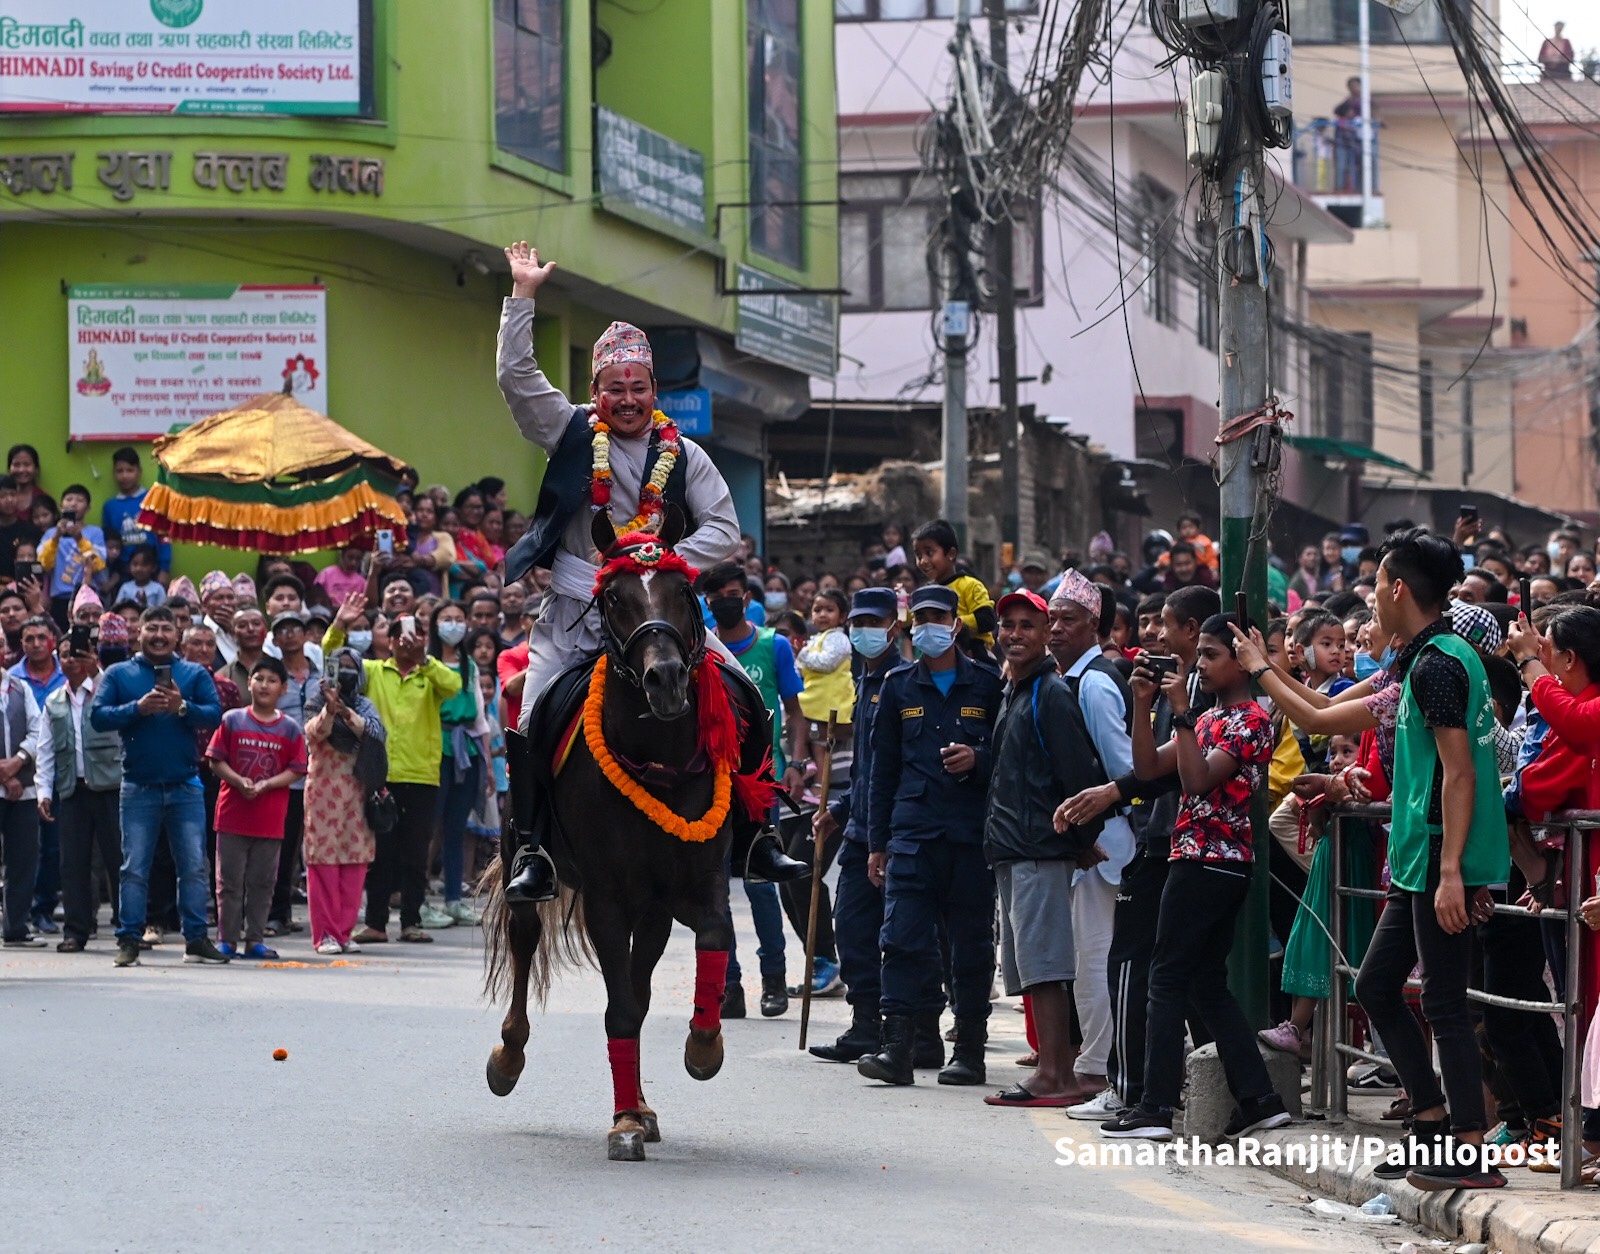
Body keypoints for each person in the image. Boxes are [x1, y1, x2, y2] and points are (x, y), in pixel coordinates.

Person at [495, 241, 759, 903]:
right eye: (616, 388)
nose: (629, 398)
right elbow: (516, 379)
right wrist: (523, 297)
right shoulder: (569, 433)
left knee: (744, 698)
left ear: (654, 391)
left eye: (639, 387)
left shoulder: (686, 454)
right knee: (529, 721)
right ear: (596, 393)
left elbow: (725, 531)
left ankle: (760, 834)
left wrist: (661, 564)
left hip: (664, 617)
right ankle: (531, 851)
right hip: (574, 615)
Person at [1350, 529, 1508, 1191]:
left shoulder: (1439, 663)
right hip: (1419, 857)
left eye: (1377, 583)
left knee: (1443, 1001)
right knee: (1376, 987)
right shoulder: (1424, 657)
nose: (1371, 599)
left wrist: (1451, 873)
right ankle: (1432, 1120)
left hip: (1444, 860)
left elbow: (1461, 775)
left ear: (1397, 589)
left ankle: (1470, 1152)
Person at [1100, 613, 1287, 1142]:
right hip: (1204, 859)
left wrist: (1180, 710)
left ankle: (1154, 1107)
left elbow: (1198, 782)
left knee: (1166, 977)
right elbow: (1147, 765)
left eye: (1211, 655)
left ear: (1241, 660)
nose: (1200, 665)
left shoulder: (1250, 719)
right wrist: (1144, 704)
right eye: (1198, 655)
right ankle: (1259, 1099)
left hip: (1211, 861)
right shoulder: (1206, 717)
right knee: (1206, 984)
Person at [857, 583, 1002, 1088]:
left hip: (968, 839)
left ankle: (970, 1050)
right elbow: (882, 771)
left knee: (970, 947)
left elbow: (1008, 760)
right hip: (912, 837)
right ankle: (897, 1046)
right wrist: (877, 844)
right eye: (918, 617)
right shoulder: (898, 686)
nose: (926, 627)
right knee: (900, 941)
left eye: (936, 616)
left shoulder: (987, 686)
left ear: (956, 623)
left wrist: (978, 761)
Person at [980, 588, 1108, 1108]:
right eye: (1007, 624)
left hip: (1038, 846)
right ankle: (1054, 1067)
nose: (1015, 634)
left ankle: (1056, 1073)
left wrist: (1079, 842)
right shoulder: (1015, 689)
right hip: (1015, 847)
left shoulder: (1051, 693)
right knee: (1033, 966)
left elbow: (1080, 774)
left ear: (1045, 633)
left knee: (1047, 966)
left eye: (1026, 625)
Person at [808, 587, 944, 1065]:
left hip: (898, 831)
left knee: (906, 935)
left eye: (876, 622)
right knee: (851, 927)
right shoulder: (862, 681)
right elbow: (868, 770)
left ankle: (923, 1032)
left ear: (894, 627)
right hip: (860, 827)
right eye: (858, 623)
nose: (866, 632)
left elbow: (900, 768)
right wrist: (840, 809)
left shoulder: (906, 682)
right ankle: (865, 1024)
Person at [1042, 570, 1138, 1103]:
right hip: (1084, 841)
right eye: (1052, 618)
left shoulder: (1095, 683)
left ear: (1094, 625)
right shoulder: (1065, 679)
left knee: (1094, 957)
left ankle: (1098, 1065)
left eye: (1068, 620)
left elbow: (1124, 769)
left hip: (1105, 844)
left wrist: (1096, 819)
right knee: (1085, 957)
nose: (1055, 629)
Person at [701, 561, 809, 1018]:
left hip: (762, 782)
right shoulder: (699, 647)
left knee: (763, 885)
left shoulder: (774, 645)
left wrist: (799, 762)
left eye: (733, 591)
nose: (726, 598)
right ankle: (728, 986)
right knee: (715, 890)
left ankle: (775, 981)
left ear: (746, 598)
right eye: (717, 593)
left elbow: (795, 711)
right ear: (707, 603)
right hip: (707, 786)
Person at [90, 605, 227, 967]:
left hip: (185, 785)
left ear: (177, 634)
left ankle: (196, 939)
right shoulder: (120, 673)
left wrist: (182, 707)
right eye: (153, 628)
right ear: (140, 633)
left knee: (194, 866)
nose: (160, 635)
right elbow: (98, 716)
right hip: (138, 786)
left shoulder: (193, 673)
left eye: (167, 628)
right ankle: (129, 941)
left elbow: (215, 715)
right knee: (134, 868)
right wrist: (137, 709)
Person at [325, 592, 461, 944]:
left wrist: (424, 659)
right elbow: (333, 656)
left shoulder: (431, 675)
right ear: (388, 639)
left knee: (416, 855)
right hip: (380, 773)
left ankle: (412, 922)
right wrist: (340, 623)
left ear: (423, 639)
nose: (405, 641)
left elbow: (455, 686)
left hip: (421, 775)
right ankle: (375, 923)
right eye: (399, 634)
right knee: (380, 853)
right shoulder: (372, 670)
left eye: (413, 635)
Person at [206, 657, 307, 961]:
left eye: (272, 680)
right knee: (229, 882)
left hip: (270, 818)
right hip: (232, 816)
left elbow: (298, 768)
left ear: (284, 688)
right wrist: (238, 781)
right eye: (259, 678)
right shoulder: (232, 720)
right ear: (248, 683)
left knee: (263, 882)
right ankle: (226, 939)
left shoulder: (290, 729)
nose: (264, 685)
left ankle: (255, 940)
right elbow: (215, 760)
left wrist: (267, 784)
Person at [36, 632, 123, 953]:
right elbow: (45, 751)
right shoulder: (54, 701)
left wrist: (96, 670)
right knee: (73, 864)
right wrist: (45, 791)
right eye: (65, 655)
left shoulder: (106, 690)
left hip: (110, 789)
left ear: (91, 655)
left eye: (78, 654)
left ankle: (128, 928)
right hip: (72, 791)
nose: (71, 660)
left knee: (119, 860)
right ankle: (75, 931)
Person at [302, 646, 386, 954]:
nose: (346, 671)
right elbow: (314, 733)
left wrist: (346, 711)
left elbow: (375, 733)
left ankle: (344, 933)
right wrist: (329, 708)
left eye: (352, 667)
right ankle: (325, 934)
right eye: (340, 666)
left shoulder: (365, 704)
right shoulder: (314, 701)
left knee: (355, 861)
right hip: (323, 794)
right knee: (323, 862)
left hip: (357, 792)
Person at [429, 600, 487, 928]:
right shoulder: (429, 663)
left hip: (467, 751)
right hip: (435, 749)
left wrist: (489, 768)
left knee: (456, 827)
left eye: (458, 619)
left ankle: (454, 900)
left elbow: (479, 716)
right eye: (446, 619)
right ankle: (419, 900)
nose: (453, 624)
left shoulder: (470, 665)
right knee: (427, 829)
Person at [265, 610, 319, 938]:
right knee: (283, 848)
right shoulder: (271, 675)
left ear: (305, 635)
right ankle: (277, 913)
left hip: (321, 773)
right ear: (274, 639)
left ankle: (325, 915)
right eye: (282, 630)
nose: (289, 634)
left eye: (295, 628)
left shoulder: (321, 675)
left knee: (316, 846)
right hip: (285, 773)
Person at [0, 661, 43, 948]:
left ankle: (16, 926)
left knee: (23, 859)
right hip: (9, 783)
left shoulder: (19, 687)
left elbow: (37, 730)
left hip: (22, 790)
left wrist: (18, 761)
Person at [911, 519, 996, 660]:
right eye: (919, 555)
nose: (923, 561)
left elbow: (987, 619)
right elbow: (912, 630)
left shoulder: (970, 585)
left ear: (951, 553)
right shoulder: (926, 592)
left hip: (974, 651)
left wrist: (951, 624)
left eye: (929, 553)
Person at [38, 485, 107, 628]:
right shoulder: (51, 534)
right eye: (69, 499)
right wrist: (56, 537)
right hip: (58, 598)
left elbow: (98, 565)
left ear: (88, 508)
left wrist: (80, 539)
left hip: (88, 597)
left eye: (79, 500)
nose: (73, 503)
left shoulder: (95, 533)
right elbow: (45, 564)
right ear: (61, 505)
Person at [102, 448, 170, 586]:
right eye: (119, 471)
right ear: (114, 474)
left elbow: (164, 536)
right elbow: (108, 542)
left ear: (139, 472)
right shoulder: (110, 506)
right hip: (121, 573)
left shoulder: (153, 500)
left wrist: (164, 568)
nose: (124, 476)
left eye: (130, 470)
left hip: (152, 569)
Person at [0, 474, 41, 581]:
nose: (9, 500)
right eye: (2, 496)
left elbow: (39, 567)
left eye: (13, 495)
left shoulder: (31, 531)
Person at [198, 571, 240, 668]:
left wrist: (234, 631)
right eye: (219, 598)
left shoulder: (241, 632)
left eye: (230, 597)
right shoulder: (199, 633)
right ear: (204, 605)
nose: (226, 603)